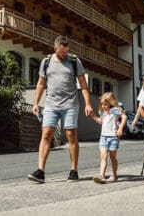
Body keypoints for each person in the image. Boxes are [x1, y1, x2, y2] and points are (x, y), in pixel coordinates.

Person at [27, 36, 94, 183]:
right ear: (54, 48)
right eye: (62, 52)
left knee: (71, 134)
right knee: (46, 134)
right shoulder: (46, 62)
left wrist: (88, 104)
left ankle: (74, 170)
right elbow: (40, 83)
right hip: (52, 105)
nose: (64, 55)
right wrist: (36, 103)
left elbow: (83, 85)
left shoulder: (74, 61)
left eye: (66, 52)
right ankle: (40, 172)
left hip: (70, 104)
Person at [90, 92, 127, 184]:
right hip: (103, 137)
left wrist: (120, 128)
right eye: (102, 104)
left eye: (105, 104)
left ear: (110, 103)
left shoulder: (115, 110)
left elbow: (124, 117)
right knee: (103, 156)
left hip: (113, 137)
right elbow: (101, 122)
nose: (103, 106)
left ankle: (114, 175)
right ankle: (101, 176)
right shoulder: (103, 112)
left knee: (113, 157)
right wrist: (93, 116)